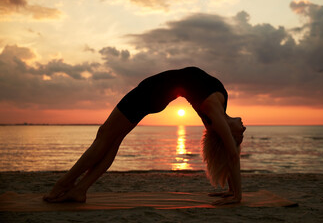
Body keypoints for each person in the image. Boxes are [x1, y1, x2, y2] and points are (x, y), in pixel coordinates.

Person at [43, 66, 246, 205]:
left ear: (226, 133)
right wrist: (231, 188)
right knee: (112, 140)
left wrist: (237, 196)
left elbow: (232, 155)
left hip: (150, 93)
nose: (244, 130)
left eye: (239, 137)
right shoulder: (220, 105)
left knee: (104, 135)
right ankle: (80, 190)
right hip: (154, 94)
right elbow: (227, 153)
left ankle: (64, 183)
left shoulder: (213, 112)